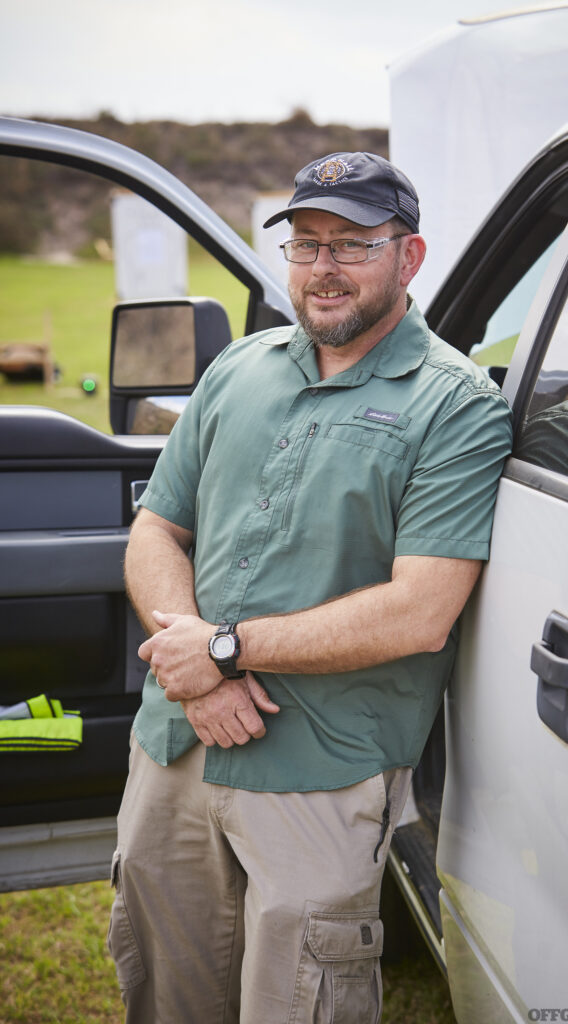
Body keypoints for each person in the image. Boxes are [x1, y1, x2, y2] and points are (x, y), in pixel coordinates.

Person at [108, 151, 512, 1023]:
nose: (323, 268)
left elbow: (420, 611)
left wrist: (222, 649)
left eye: (353, 245)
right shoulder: (235, 371)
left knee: (299, 1000)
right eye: (306, 244)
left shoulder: (454, 404)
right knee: (165, 986)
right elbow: (157, 528)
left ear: (408, 257)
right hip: (175, 742)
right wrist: (198, 663)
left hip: (321, 770)